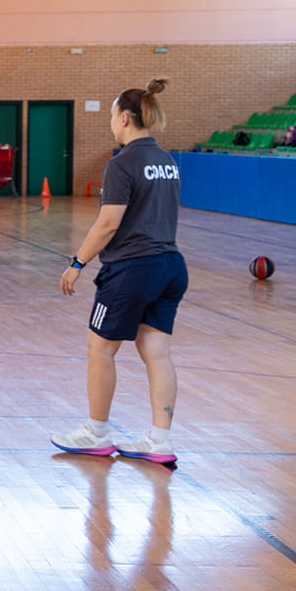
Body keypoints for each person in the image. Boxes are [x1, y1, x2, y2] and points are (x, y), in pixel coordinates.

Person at [51, 79, 185, 466]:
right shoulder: (167, 161)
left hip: (131, 269)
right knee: (156, 352)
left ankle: (96, 432)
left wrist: (78, 263)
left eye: (112, 116)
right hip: (170, 266)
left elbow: (108, 224)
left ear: (124, 118)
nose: (111, 123)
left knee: (100, 348)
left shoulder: (122, 163)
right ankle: (160, 440)